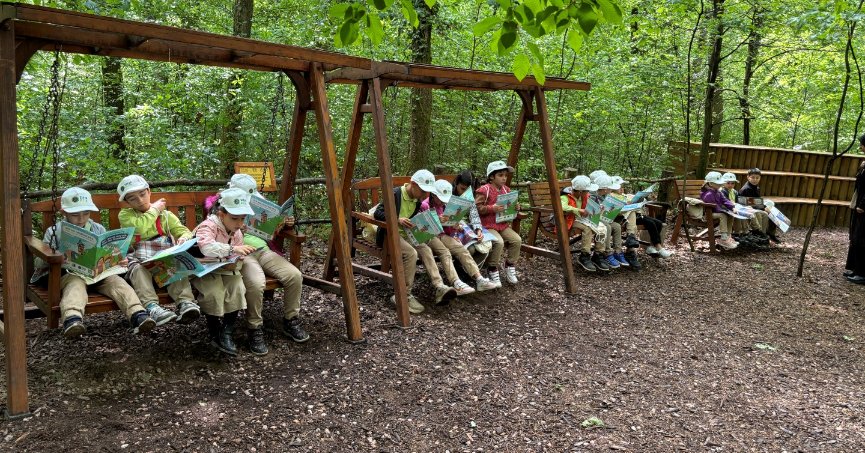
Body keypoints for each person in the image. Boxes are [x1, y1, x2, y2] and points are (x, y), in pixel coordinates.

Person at [31, 187, 156, 338]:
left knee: (117, 282)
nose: (81, 219)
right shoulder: (54, 231)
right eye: (75, 215)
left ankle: (138, 314)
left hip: (98, 274)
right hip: (70, 274)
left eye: (86, 213)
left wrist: (118, 260)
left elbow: (108, 252)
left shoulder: (98, 229)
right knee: (75, 285)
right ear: (64, 213)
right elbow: (39, 262)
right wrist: (57, 257)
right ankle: (72, 319)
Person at [210, 174, 308, 355]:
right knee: (256, 283)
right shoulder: (219, 206)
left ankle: (291, 319)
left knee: (294, 276)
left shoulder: (258, 206)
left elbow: (269, 230)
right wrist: (237, 226)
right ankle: (254, 327)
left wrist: (284, 223)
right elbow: (211, 232)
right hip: (242, 253)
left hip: (263, 250)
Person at [117, 175, 202, 325]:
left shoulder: (166, 216)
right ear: (127, 202)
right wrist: (155, 209)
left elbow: (184, 231)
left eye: (142, 194)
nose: (140, 200)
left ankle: (185, 303)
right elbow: (140, 228)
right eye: (133, 198)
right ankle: (152, 307)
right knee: (137, 270)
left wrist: (183, 238)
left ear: (149, 191)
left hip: (163, 262)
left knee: (175, 265)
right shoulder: (126, 215)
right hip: (139, 261)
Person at [374, 169, 457, 314]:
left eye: (428, 192)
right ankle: (403, 295)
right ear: (413, 184)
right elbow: (378, 213)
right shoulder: (395, 194)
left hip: (406, 234)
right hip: (388, 235)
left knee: (425, 248)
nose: (425, 195)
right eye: (423, 191)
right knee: (411, 253)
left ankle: (439, 286)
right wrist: (397, 219)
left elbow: (414, 220)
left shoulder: (417, 201)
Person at [193, 188, 256, 356]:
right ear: (221, 214)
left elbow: (238, 258)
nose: (239, 223)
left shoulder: (237, 233)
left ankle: (226, 331)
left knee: (237, 287)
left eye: (242, 218)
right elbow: (205, 247)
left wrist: (234, 262)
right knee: (213, 293)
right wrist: (232, 249)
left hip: (224, 270)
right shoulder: (208, 226)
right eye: (234, 218)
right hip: (204, 269)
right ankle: (214, 329)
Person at [421, 179, 498, 296]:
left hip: (444, 235)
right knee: (445, 253)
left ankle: (479, 279)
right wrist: (437, 221)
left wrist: (454, 227)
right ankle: (456, 282)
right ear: (433, 194)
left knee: (461, 249)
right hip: (431, 237)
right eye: (440, 199)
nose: (442, 202)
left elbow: (448, 229)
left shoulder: (445, 205)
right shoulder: (425, 205)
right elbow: (424, 229)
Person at [475, 161, 522, 285]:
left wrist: (515, 207)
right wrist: (491, 208)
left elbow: (510, 207)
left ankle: (510, 265)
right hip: (487, 225)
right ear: (491, 176)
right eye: (500, 175)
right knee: (499, 241)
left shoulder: (506, 190)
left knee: (516, 240)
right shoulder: (484, 190)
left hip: (502, 224)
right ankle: (492, 268)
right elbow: (476, 208)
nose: (504, 178)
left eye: (505, 175)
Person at [559, 175, 600, 272]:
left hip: (582, 220)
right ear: (580, 192)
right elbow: (562, 207)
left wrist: (598, 208)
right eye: (587, 191)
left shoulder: (585, 196)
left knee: (600, 227)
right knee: (587, 228)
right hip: (569, 221)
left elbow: (592, 206)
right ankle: (584, 255)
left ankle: (599, 254)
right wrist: (578, 210)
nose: (588, 192)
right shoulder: (565, 197)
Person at [591, 174, 629, 270]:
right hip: (593, 220)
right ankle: (607, 252)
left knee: (616, 226)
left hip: (603, 218)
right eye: (610, 189)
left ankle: (618, 251)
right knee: (607, 227)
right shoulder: (592, 195)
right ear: (604, 189)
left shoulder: (606, 195)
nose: (611, 190)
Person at [720, 172, 768, 248]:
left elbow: (738, 202)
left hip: (736, 208)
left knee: (757, 213)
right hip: (728, 210)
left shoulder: (734, 192)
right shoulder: (722, 191)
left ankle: (759, 232)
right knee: (743, 214)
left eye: (732, 183)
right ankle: (747, 232)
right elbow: (726, 203)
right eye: (728, 183)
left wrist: (745, 206)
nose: (730, 185)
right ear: (723, 183)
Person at [739, 168, 781, 243]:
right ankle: (762, 233)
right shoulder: (747, 189)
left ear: (760, 178)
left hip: (755, 206)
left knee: (771, 211)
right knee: (766, 213)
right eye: (753, 177)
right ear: (748, 177)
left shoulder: (756, 187)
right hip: (747, 208)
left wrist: (765, 206)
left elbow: (757, 201)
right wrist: (764, 208)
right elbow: (750, 203)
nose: (755, 179)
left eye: (757, 178)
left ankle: (766, 233)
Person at [700, 171, 739, 250]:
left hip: (717, 212)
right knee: (723, 215)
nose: (720, 185)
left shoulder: (718, 192)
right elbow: (714, 206)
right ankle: (723, 238)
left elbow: (725, 200)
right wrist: (723, 210)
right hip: (709, 214)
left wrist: (732, 207)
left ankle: (728, 236)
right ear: (711, 184)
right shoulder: (709, 194)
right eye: (718, 183)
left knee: (731, 214)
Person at [845, 136, 865, 284]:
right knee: (855, 238)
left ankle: (862, 273)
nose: (860, 147)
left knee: (862, 239)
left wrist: (863, 205)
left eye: (862, 144)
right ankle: (855, 268)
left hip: (863, 208)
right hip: (858, 204)